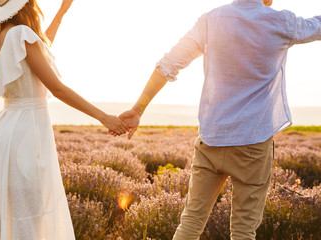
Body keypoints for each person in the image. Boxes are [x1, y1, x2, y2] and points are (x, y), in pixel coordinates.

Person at [117, 0, 321, 239]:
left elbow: (168, 64)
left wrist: (138, 109)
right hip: (253, 145)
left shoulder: (210, 20)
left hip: (211, 141)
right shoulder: (282, 22)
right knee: (244, 231)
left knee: (191, 222)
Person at [0, 0, 128, 239]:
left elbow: (42, 47)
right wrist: (104, 117)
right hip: (26, 135)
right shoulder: (21, 34)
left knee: (7, 216)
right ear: (27, 5)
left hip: (5, 132)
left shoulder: (4, 34)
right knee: (30, 218)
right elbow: (57, 89)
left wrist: (62, 12)